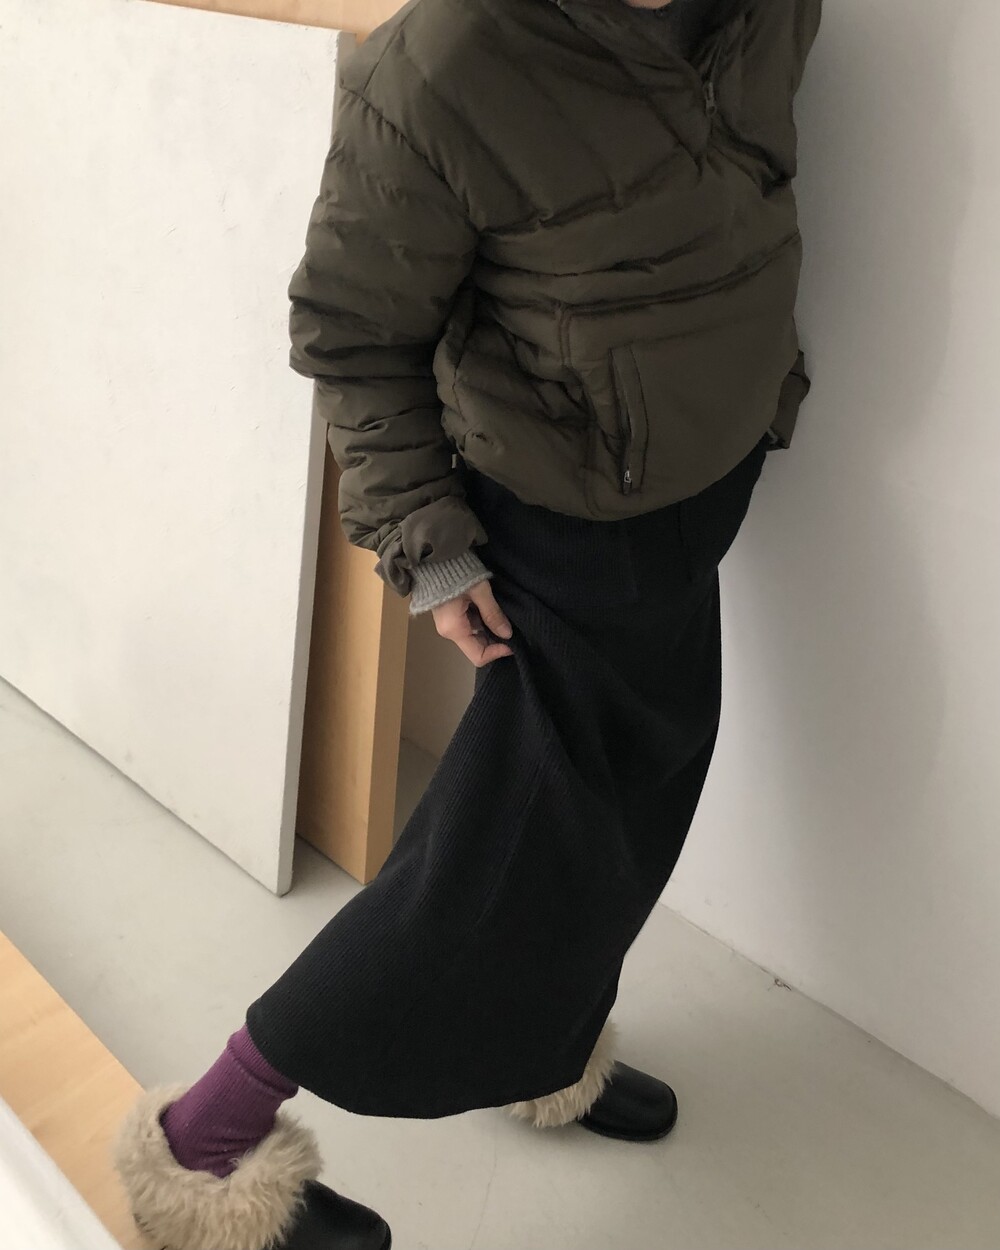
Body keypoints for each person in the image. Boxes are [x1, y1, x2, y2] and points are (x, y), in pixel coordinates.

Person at [112, 0, 822, 1246]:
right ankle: (204, 1143)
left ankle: (544, 1053)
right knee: (483, 872)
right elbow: (353, 336)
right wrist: (430, 555)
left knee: (618, 831)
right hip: (558, 524)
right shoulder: (443, 63)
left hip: (692, 501)